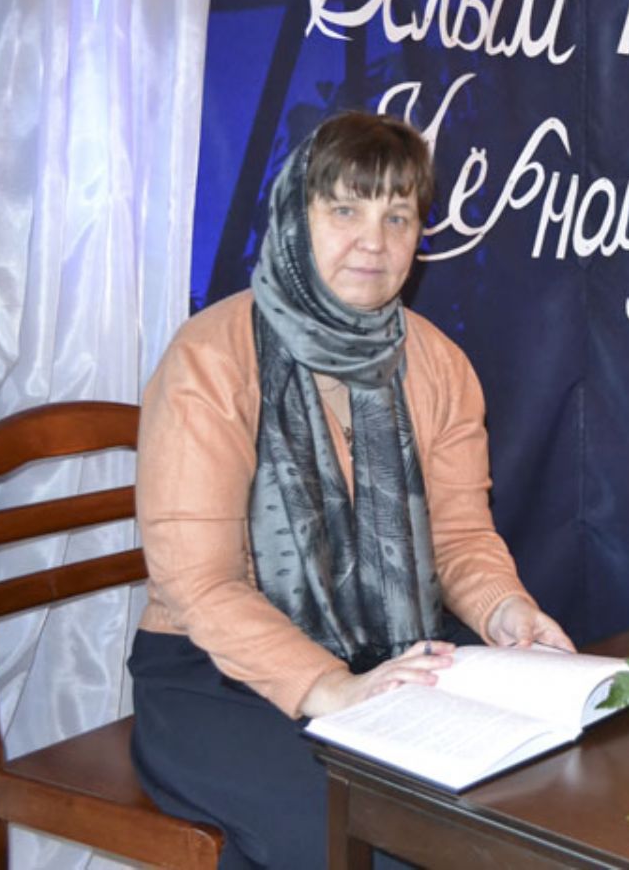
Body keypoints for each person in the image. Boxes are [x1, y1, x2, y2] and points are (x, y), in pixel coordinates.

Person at [128, 111, 574, 869]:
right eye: (344, 210)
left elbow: (460, 536)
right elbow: (197, 583)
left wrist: (506, 609)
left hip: (391, 646)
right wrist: (332, 688)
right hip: (217, 672)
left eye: (397, 216)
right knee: (374, 837)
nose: (374, 242)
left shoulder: (439, 364)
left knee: (531, 798)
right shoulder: (210, 358)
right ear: (293, 219)